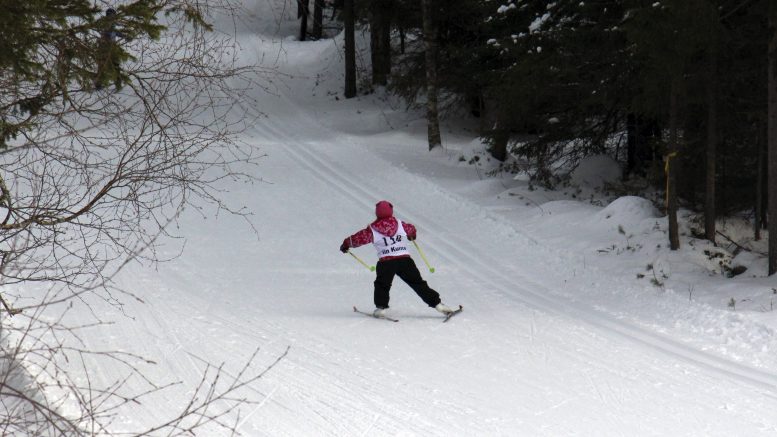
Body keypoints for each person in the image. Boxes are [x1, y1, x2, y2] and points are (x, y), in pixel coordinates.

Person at [340, 200, 454, 318]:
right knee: (418, 283)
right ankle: (438, 304)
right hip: (405, 261)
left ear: (377, 213)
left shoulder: (372, 230)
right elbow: (411, 229)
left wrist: (346, 245)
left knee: (382, 285)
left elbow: (358, 239)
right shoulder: (400, 224)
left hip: (386, 262)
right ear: (391, 211)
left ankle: (381, 308)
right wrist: (412, 235)